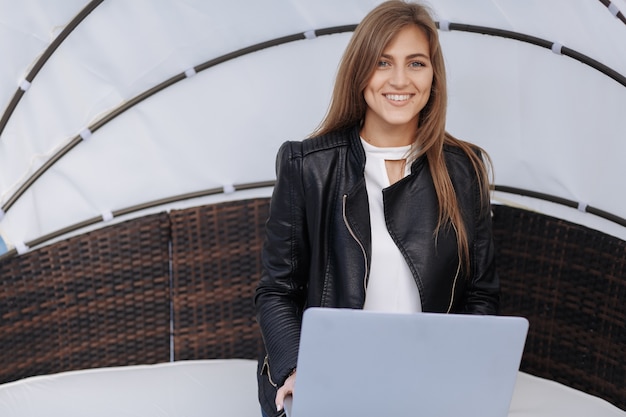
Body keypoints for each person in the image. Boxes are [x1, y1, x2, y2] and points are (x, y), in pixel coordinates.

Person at [254, 1, 499, 415]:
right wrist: (299, 367)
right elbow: (277, 291)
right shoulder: (307, 166)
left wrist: (460, 374)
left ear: (433, 76)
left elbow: (482, 296)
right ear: (360, 70)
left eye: (416, 63)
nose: (400, 79)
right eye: (383, 62)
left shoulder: (464, 169)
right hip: (327, 373)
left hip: (428, 377)